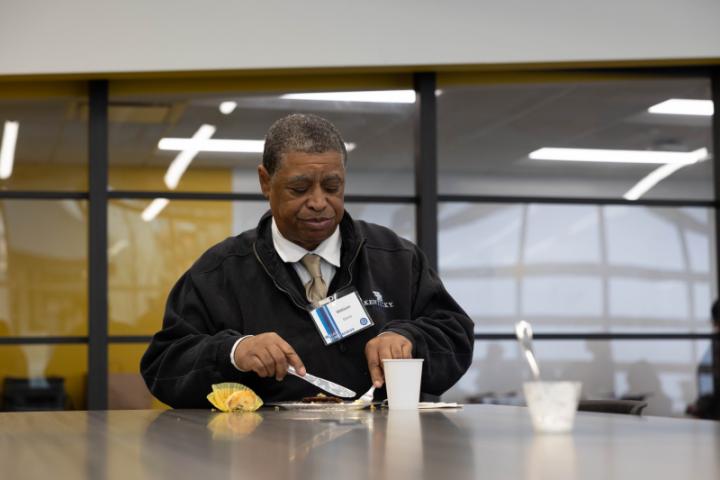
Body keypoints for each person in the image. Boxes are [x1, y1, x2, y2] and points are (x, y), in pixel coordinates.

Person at [140, 113, 474, 408]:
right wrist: (233, 353)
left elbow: (455, 335)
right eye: (299, 189)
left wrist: (409, 338)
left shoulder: (396, 258)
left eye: (332, 187)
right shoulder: (220, 271)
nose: (319, 202)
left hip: (380, 453)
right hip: (266, 457)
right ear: (265, 182)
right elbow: (163, 367)